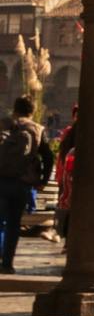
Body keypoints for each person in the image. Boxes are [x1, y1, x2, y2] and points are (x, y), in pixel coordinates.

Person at [1, 96, 53, 274]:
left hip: (1, 180)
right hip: (22, 184)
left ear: (14, 109)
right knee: (14, 224)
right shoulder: (37, 130)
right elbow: (48, 156)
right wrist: (43, 181)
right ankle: (7, 264)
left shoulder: (4, 124)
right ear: (33, 111)